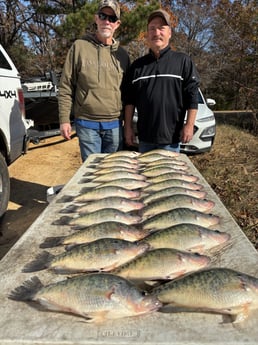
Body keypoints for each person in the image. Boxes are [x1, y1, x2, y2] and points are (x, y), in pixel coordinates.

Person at [58, 0, 130, 162]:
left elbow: (128, 94)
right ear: (96, 18)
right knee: (92, 173)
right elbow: (66, 86)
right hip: (87, 123)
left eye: (111, 19)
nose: (106, 22)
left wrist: (129, 126)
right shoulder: (79, 47)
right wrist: (64, 120)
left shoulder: (123, 55)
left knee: (113, 173)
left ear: (117, 24)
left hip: (115, 125)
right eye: (103, 16)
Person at [124, 9, 200, 153]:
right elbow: (129, 101)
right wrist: (128, 127)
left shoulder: (183, 61)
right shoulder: (137, 66)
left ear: (169, 33)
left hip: (170, 141)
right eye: (152, 29)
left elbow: (192, 96)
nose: (156, 32)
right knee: (145, 175)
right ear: (147, 34)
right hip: (145, 140)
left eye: (161, 28)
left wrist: (189, 125)